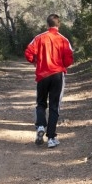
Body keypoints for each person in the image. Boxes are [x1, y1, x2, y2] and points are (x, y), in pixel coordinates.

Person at [25, 14, 74, 148]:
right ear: (59, 25)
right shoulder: (64, 40)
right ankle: (51, 138)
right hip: (57, 75)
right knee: (54, 105)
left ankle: (40, 125)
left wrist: (36, 62)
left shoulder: (39, 38)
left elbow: (28, 52)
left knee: (40, 103)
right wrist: (62, 65)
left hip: (42, 75)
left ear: (47, 25)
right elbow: (69, 58)